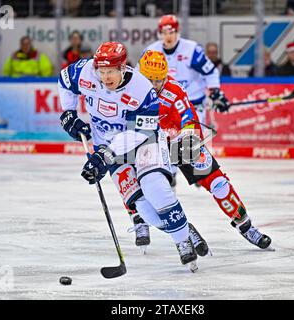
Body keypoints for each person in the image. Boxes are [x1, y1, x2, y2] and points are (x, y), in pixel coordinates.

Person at [57, 41, 206, 271]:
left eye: (110, 72)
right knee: (145, 210)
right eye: (101, 71)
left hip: (144, 142)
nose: (105, 77)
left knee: (156, 188)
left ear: (123, 68)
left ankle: (182, 240)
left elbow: (139, 131)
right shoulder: (85, 71)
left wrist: (106, 155)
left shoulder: (142, 89)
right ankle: (185, 228)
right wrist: (69, 113)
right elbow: (65, 79)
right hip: (107, 147)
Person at [128, 50, 272, 252]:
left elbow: (189, 119)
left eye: (158, 80)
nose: (153, 86)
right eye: (148, 80)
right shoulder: (128, 88)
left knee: (219, 183)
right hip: (146, 145)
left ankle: (246, 226)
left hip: (177, 142)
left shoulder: (174, 90)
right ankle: (141, 220)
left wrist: (185, 137)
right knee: (136, 183)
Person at [144, 15, 231, 128]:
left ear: (177, 32)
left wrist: (215, 92)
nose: (168, 37)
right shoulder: (151, 51)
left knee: (192, 141)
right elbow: (139, 76)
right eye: (164, 33)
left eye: (171, 32)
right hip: (164, 105)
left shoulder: (191, 49)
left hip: (193, 104)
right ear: (159, 34)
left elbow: (210, 71)